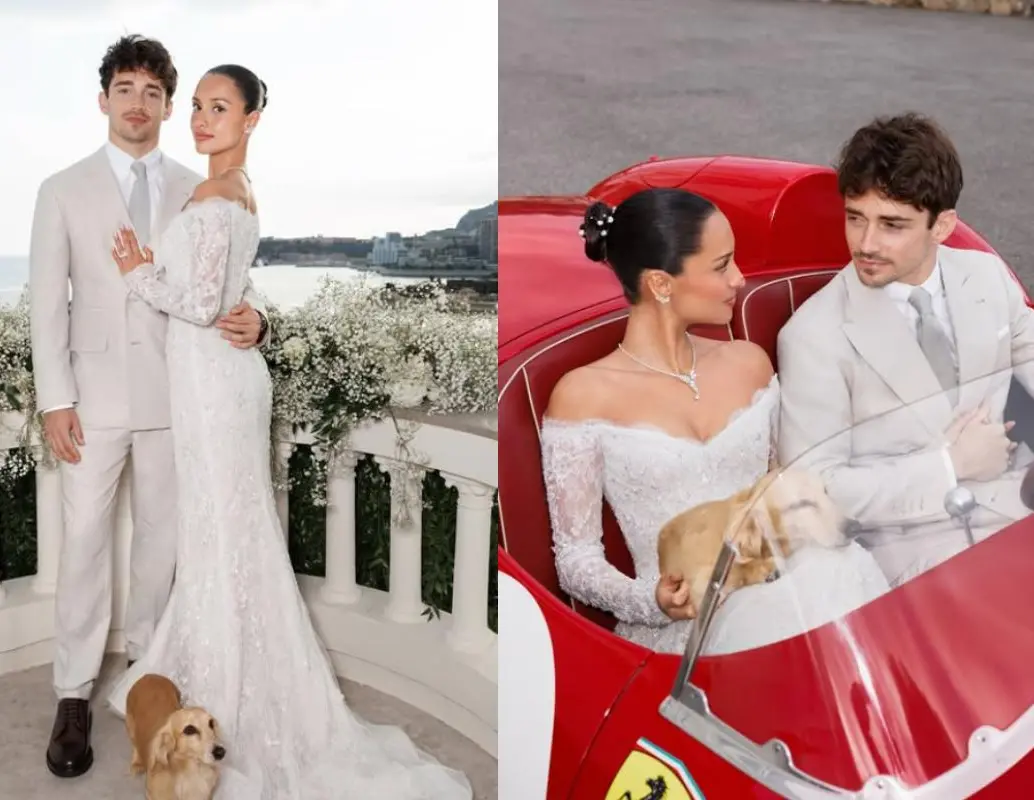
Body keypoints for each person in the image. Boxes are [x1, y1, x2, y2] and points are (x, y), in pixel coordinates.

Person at [102, 63, 472, 799]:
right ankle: (210, 673)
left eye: (220, 108)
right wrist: (257, 314)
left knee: (226, 533)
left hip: (215, 386)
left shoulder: (215, 191)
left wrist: (138, 271)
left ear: (251, 119)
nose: (203, 120)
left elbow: (202, 303)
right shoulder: (237, 191)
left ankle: (234, 696)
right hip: (220, 381)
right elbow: (229, 292)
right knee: (227, 534)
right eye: (199, 107)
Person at [28, 35, 270, 779]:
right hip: (91, 401)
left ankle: (148, 672)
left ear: (167, 107)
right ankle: (72, 694)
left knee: (164, 541)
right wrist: (55, 399)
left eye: (153, 92)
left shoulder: (195, 186)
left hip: (181, 397)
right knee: (86, 545)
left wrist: (261, 319)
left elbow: (226, 276)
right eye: (125, 88)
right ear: (104, 99)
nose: (139, 104)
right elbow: (47, 304)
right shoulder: (61, 188)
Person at [541, 188, 889, 657]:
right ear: (662, 284)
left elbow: (783, 486)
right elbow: (576, 560)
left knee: (841, 576)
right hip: (685, 628)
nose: (740, 280)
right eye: (722, 266)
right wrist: (653, 600)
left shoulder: (749, 363)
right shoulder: (582, 395)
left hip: (786, 588)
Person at [777, 112, 1034, 588]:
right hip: (910, 552)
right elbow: (812, 492)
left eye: (892, 225)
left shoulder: (986, 276)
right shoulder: (814, 333)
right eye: (856, 219)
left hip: (1014, 510)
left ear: (942, 226)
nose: (866, 244)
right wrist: (949, 467)